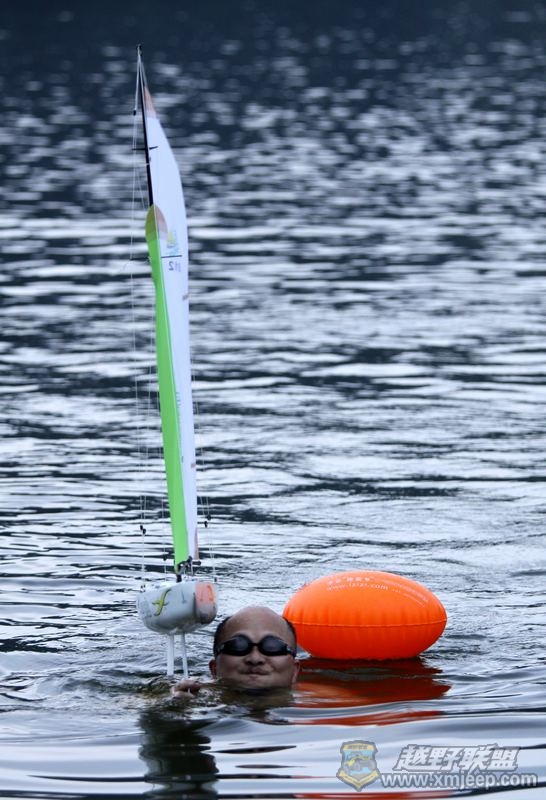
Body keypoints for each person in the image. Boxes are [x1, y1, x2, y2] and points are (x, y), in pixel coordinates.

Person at [171, 606, 300, 696]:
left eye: (273, 646)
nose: (255, 659)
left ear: (295, 671)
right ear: (214, 669)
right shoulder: (190, 695)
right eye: (238, 646)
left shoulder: (312, 705)